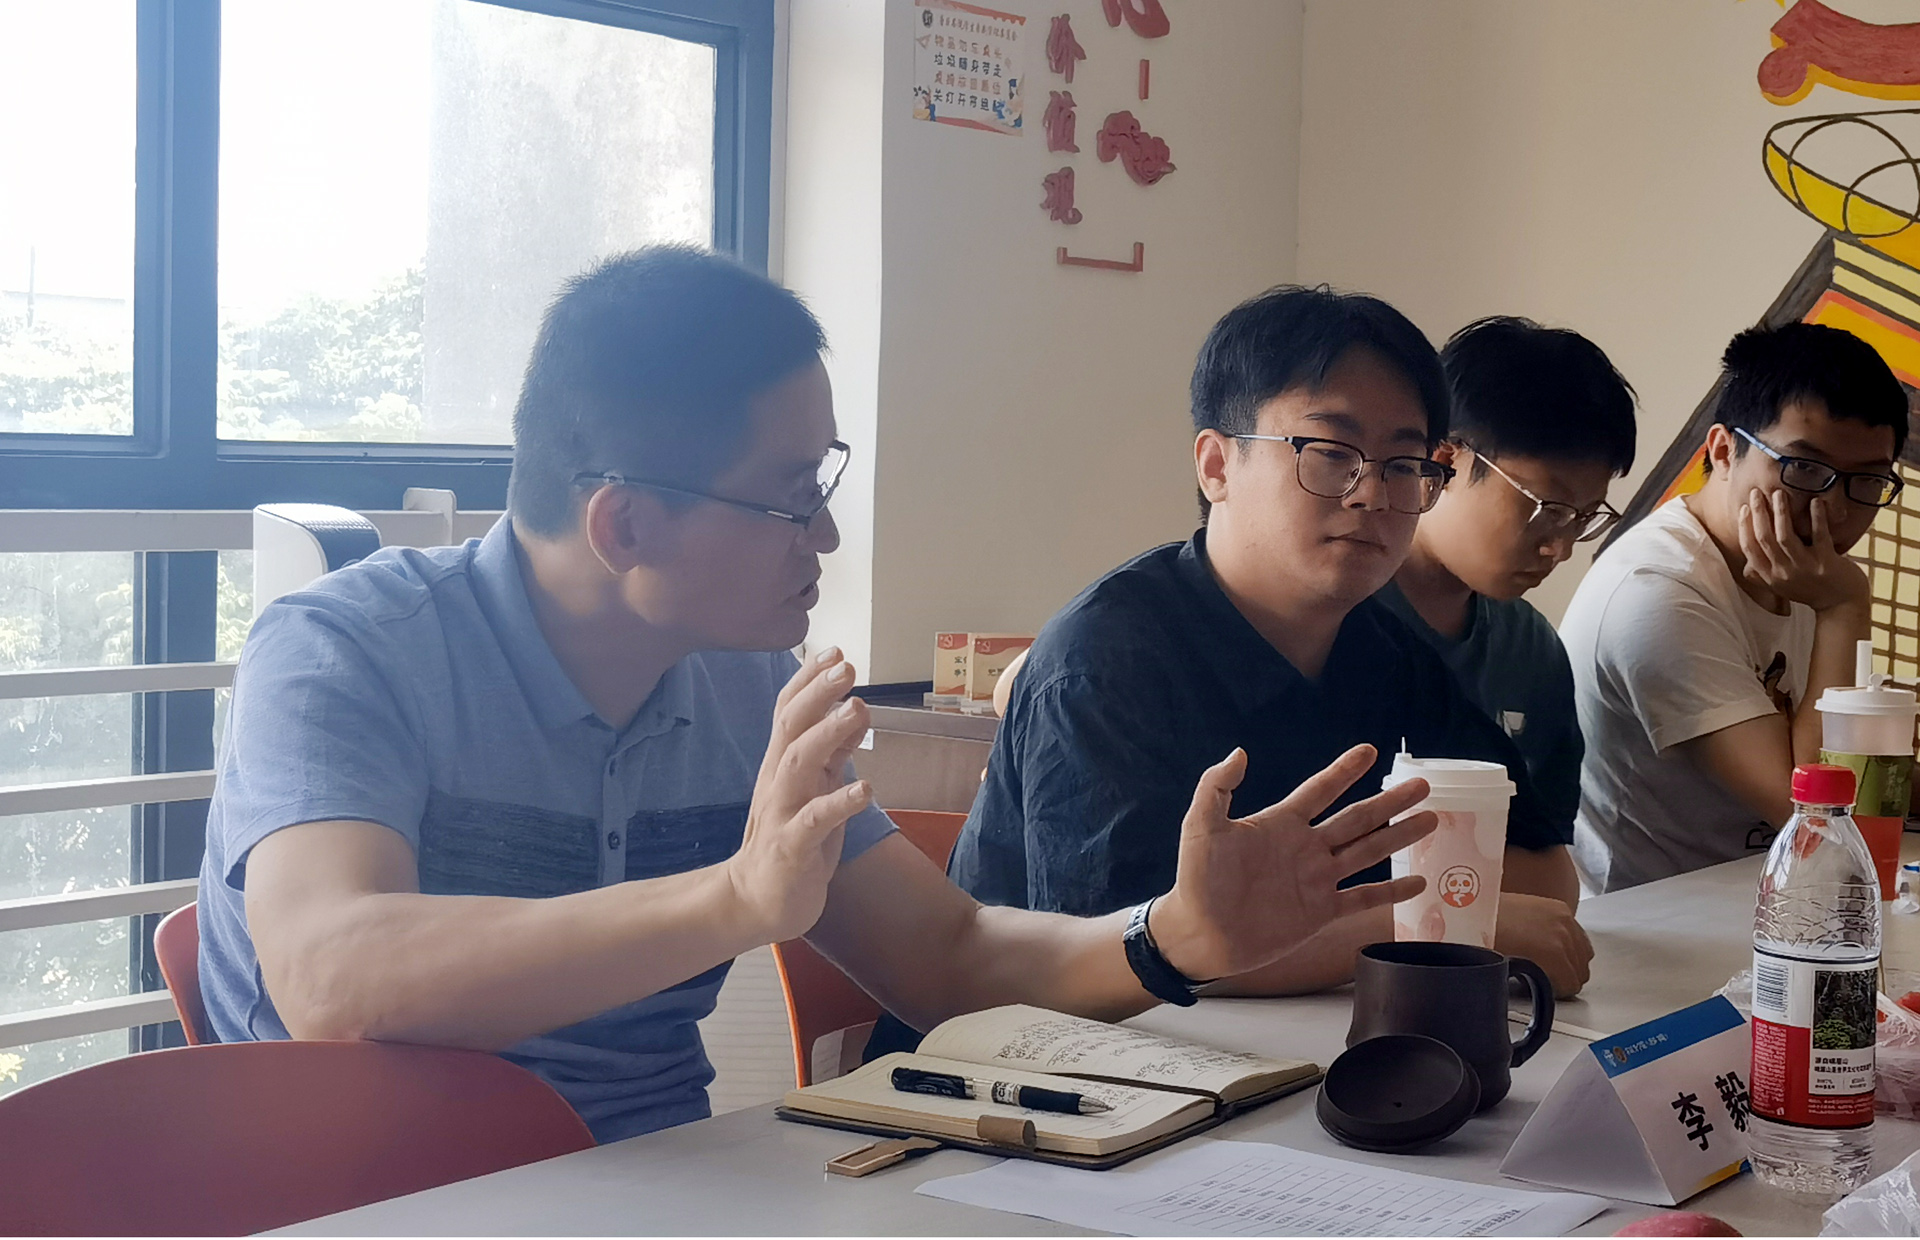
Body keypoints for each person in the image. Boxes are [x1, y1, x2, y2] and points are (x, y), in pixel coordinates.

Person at [195, 248, 1438, 1144]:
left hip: (660, 1185)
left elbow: (946, 956)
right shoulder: (346, 650)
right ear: (624, 521)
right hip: (363, 1199)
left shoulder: (746, 686)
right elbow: (334, 974)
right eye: (793, 497)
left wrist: (1169, 937)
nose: (828, 535)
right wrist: (732, 897)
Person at [947, 285, 1594, 997]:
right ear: (1217, 466)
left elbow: (1543, 875)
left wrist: (1430, 920)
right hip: (1026, 1051)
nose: (1372, 494)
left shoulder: (1386, 653)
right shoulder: (1104, 659)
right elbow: (1120, 958)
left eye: (1404, 465)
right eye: (1331, 452)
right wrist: (1434, 928)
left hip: (1291, 1042)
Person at [1560, 321, 1907, 893]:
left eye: (1867, 481)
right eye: (1805, 469)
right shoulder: (1657, 590)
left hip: (1768, 902)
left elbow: (1870, 789)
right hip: (1654, 926)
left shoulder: (1802, 570)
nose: (1833, 510)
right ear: (1723, 450)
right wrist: (1845, 607)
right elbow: (1816, 817)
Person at [1377, 317, 1637, 909]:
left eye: (1584, 517)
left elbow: (1549, 869)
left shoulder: (1533, 650)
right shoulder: (1335, 621)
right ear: (1443, 460)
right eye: (1547, 509)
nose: (1560, 548)